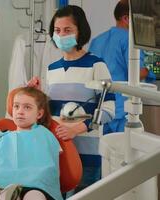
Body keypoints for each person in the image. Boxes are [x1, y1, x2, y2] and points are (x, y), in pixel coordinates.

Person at [45, 5, 115, 192]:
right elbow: (48, 111)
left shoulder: (96, 65)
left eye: (67, 30)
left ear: (80, 31)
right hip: (57, 152)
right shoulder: (52, 69)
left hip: (86, 153)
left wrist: (76, 129)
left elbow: (108, 110)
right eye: (57, 30)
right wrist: (35, 94)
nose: (61, 35)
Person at [0, 87, 62, 200]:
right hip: (4, 188)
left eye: (27, 107)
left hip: (37, 188)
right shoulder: (2, 138)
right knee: (5, 196)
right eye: (16, 106)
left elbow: (52, 169)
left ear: (39, 113)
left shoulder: (45, 136)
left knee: (34, 197)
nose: (20, 111)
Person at [89, 0, 156, 134]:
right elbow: (137, 73)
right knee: (124, 151)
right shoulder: (129, 39)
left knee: (105, 151)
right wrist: (152, 69)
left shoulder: (97, 40)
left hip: (101, 109)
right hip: (121, 110)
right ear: (126, 18)